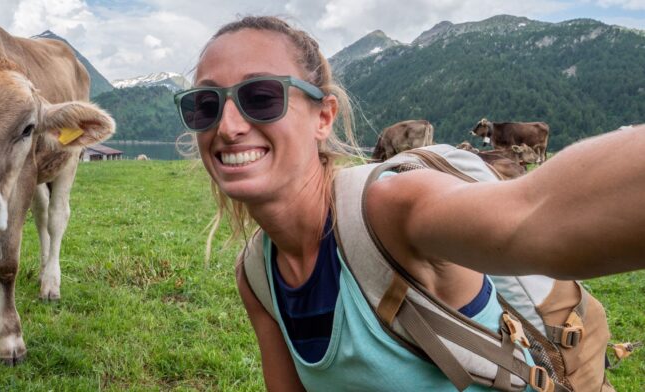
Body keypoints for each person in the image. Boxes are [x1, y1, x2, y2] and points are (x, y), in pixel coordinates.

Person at [174, 15, 643, 391]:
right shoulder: (256, 272)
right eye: (205, 104)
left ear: (323, 117)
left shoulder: (390, 206)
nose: (228, 125)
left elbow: (533, 217)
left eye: (261, 96)